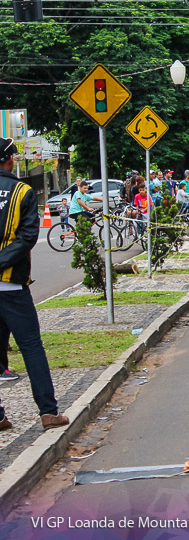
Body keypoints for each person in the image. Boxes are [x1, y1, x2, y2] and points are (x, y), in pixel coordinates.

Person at [0, 137, 70, 430]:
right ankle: (48, 411)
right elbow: (27, 238)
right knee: (31, 347)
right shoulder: (22, 192)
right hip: (12, 285)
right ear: (10, 160)